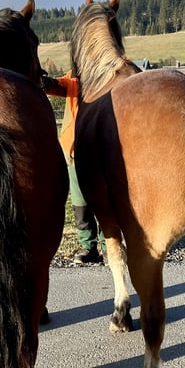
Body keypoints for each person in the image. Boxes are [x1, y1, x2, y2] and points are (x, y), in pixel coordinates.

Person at [43, 72, 104, 264]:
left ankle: (110, 245)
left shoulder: (105, 75)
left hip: (102, 152)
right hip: (74, 154)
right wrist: (41, 81)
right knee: (80, 206)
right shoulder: (74, 80)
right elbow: (57, 85)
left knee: (104, 202)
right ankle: (88, 247)